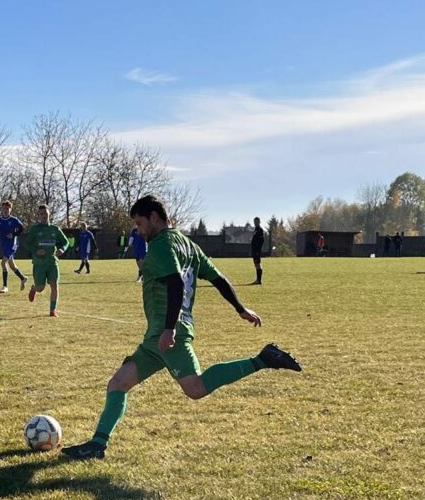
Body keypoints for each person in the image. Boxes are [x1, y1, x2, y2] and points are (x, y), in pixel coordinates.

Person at [62, 194, 302, 461]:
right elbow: (218, 278)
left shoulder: (163, 245)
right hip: (157, 336)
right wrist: (240, 308)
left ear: (154, 217)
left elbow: (175, 283)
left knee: (196, 388)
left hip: (168, 332)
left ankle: (263, 359)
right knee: (118, 383)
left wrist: (169, 329)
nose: (139, 232)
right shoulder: (188, 245)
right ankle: (97, 444)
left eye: (140, 224)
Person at [23, 204, 69, 317]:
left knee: (54, 285)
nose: (44, 216)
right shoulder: (35, 229)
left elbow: (66, 242)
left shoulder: (55, 229)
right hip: (39, 263)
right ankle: (34, 288)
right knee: (40, 288)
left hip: (52, 262)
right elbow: (26, 243)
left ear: (49, 214)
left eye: (46, 214)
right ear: (38, 216)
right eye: (41, 214)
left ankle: (52, 310)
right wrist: (35, 251)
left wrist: (62, 249)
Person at [0, 201, 27, 293]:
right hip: (4, 244)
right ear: (1, 209)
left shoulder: (14, 220)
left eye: (7, 208)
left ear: (10, 210)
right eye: (4, 208)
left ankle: (5, 286)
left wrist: (14, 234)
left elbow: (22, 228)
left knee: (3, 263)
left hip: (12, 244)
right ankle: (23, 278)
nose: (6, 210)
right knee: (12, 266)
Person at [250, 216, 265, 284]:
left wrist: (258, 250)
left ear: (259, 222)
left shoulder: (260, 230)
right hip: (254, 250)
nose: (255, 223)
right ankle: (258, 280)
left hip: (257, 250)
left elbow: (261, 241)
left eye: (256, 221)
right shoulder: (255, 230)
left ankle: (259, 280)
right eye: (254, 221)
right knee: (256, 264)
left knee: (258, 264)